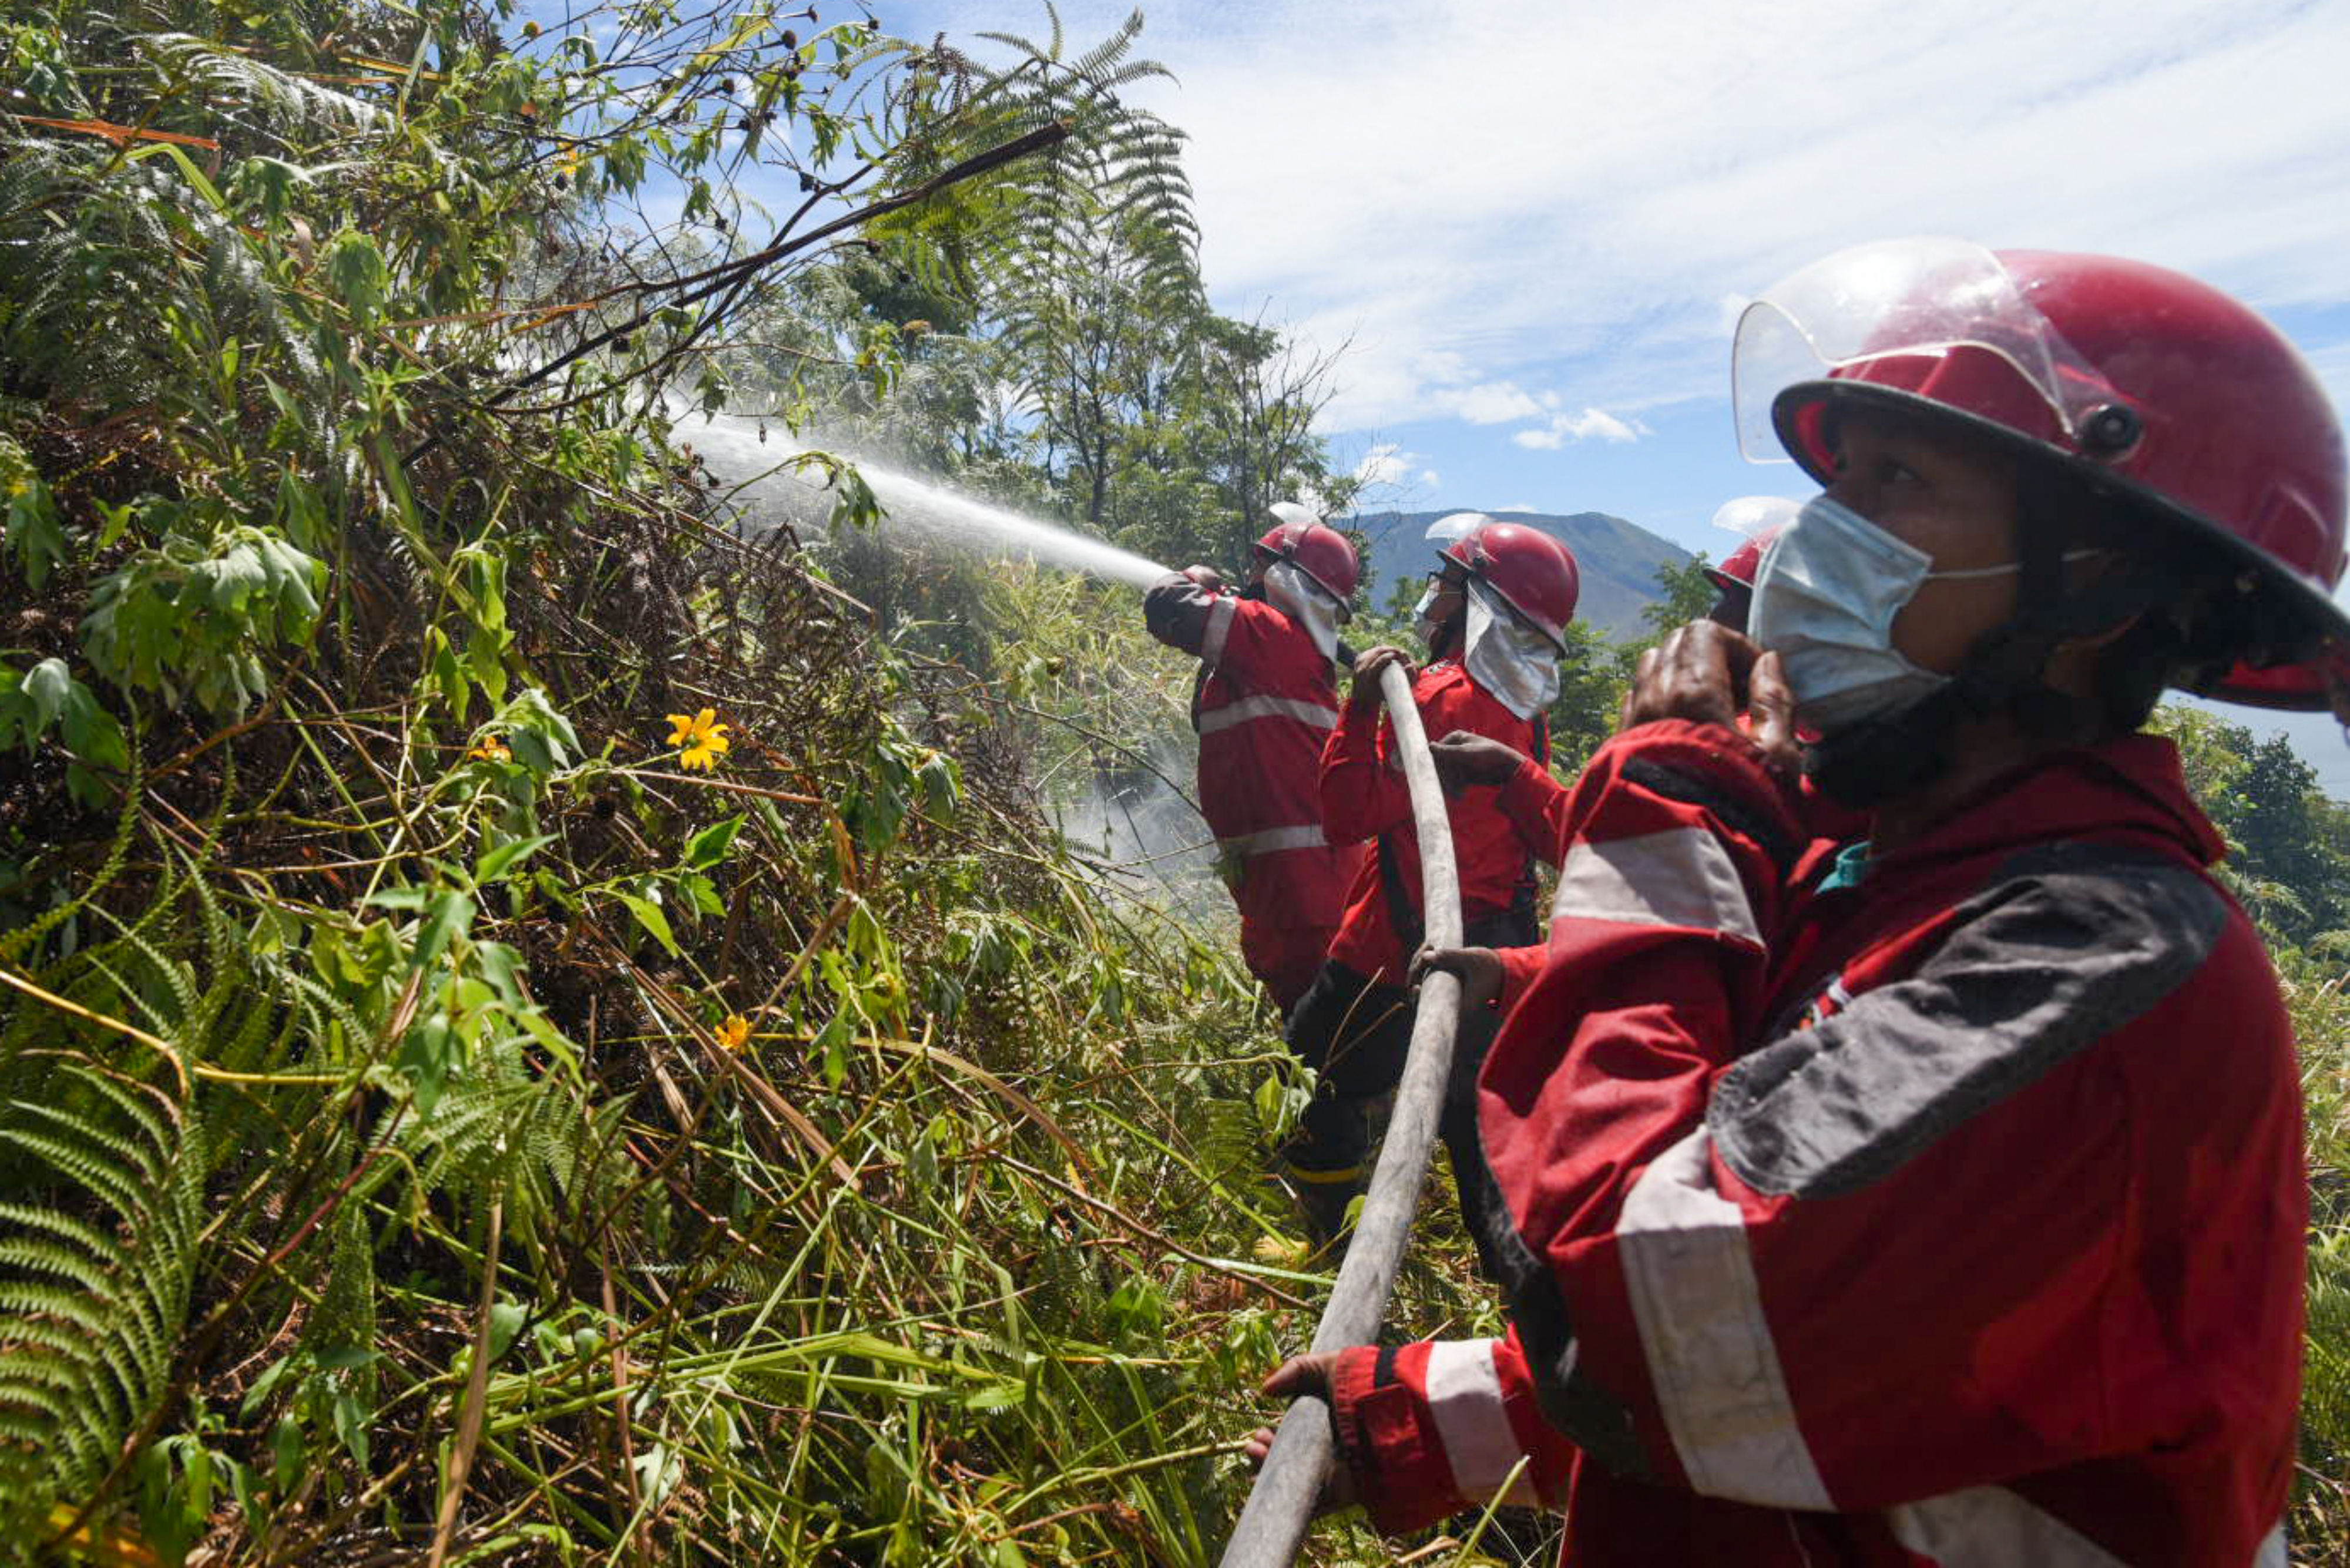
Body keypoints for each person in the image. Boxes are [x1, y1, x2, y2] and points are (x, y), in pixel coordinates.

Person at [1248, 240, 2348, 1565]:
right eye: (1837, 480)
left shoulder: (2092, 970)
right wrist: (1450, 1422)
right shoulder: (1905, 881)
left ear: (2093, 595)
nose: (1818, 538)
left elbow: (1639, 1315)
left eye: (1897, 482)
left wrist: (1668, 796)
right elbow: (1841, 1355)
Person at [1279, 515, 1581, 1246]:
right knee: (1479, 1121)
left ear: (1476, 604)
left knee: (1313, 1069)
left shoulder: (1443, 697)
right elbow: (1548, 836)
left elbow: (1348, 813)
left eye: (1447, 581)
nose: (1432, 594)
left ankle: (1322, 1241)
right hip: (1498, 949)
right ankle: (1521, 1285)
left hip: (1392, 945)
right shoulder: (1522, 707)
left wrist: (1359, 709)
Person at [1143, 504, 1364, 1015]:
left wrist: (1196, 579)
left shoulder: (1271, 636)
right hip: (1293, 888)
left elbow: (1168, 605)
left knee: (1320, 1053)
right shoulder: (1284, 646)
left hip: (1301, 894)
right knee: (1313, 1036)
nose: (1250, 576)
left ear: (1286, 576)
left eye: (1261, 564)